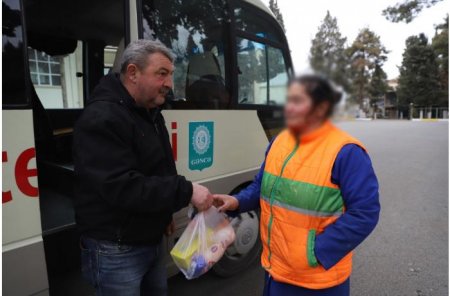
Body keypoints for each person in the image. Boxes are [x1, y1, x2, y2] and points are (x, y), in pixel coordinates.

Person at [214, 75, 380, 296]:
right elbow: (261, 186)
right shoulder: (279, 142)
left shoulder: (346, 152)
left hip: (318, 281)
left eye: (297, 101)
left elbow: (365, 213)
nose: (288, 108)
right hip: (275, 271)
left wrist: (314, 252)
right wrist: (236, 201)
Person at [73, 39, 213, 296]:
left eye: (170, 75)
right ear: (133, 73)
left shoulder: (149, 111)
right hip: (116, 249)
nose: (170, 84)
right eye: (162, 74)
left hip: (150, 238)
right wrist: (186, 191)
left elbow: (158, 167)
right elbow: (122, 186)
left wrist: (164, 212)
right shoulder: (102, 118)